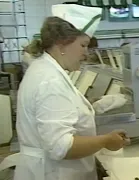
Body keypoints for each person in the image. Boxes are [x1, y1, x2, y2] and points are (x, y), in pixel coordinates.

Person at [15, 4, 130, 180]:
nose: (86, 53)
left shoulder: (45, 69)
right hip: (53, 173)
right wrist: (106, 141)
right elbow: (62, 147)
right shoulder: (50, 81)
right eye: (83, 45)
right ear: (62, 43)